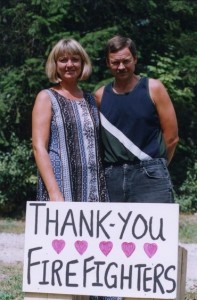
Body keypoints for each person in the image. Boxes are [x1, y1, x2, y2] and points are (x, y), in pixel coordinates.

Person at [94, 35, 179, 204]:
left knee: (156, 230)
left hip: (150, 173)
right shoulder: (100, 96)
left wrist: (157, 167)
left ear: (135, 59)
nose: (121, 67)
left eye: (126, 61)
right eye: (115, 62)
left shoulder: (154, 88)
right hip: (112, 177)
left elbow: (172, 137)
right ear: (107, 63)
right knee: (114, 231)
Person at [32, 38, 109, 204]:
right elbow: (39, 147)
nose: (69, 64)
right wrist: (54, 192)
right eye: (63, 60)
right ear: (55, 64)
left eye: (75, 59)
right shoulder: (46, 98)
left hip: (93, 186)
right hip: (60, 187)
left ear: (82, 63)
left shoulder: (92, 99)